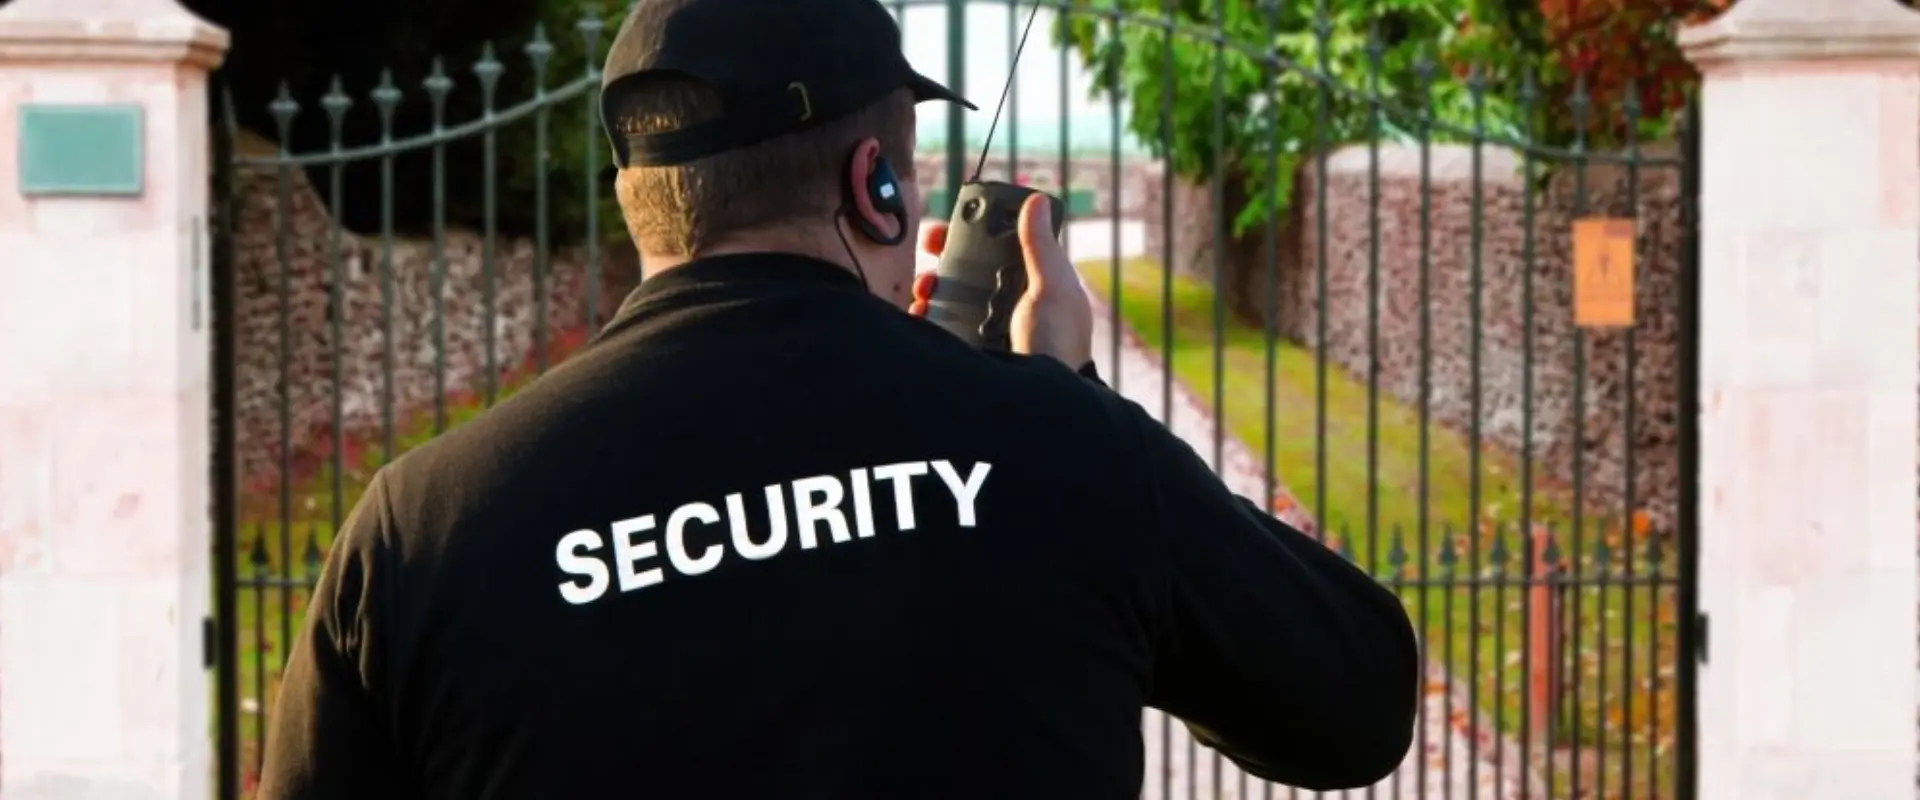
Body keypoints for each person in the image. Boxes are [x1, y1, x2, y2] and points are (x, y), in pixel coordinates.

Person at [257, 0, 1420, 796]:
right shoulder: (1061, 442)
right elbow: (1360, 700)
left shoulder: (419, 529)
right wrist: (1066, 392)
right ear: (875, 184)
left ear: (639, 200)